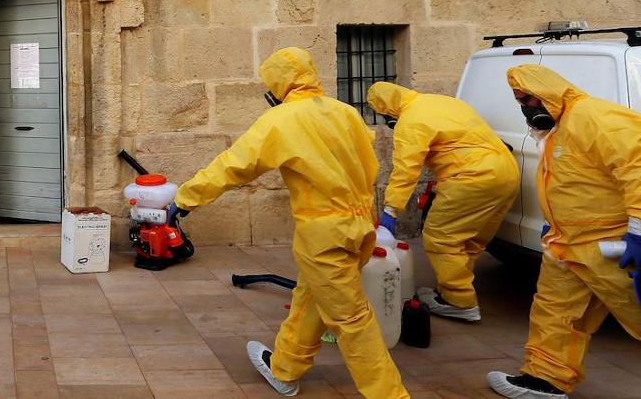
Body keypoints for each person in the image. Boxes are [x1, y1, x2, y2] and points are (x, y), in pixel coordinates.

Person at [173, 47, 410, 399]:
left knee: (352, 319)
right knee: (312, 295)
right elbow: (369, 166)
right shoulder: (345, 112)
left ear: (279, 83)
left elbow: (233, 165)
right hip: (361, 225)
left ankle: (390, 395)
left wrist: (184, 199)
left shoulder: (281, 119)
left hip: (324, 234)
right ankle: (285, 368)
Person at [486, 64, 641, 399]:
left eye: (529, 97)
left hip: (611, 244)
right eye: (519, 99)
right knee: (553, 311)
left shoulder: (594, 117)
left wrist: (638, 229)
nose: (526, 105)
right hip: (567, 243)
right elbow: (571, 181)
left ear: (549, 90)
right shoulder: (557, 128)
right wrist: (554, 221)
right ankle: (545, 379)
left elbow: (636, 166)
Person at [368, 82, 520, 322]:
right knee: (469, 238)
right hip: (506, 173)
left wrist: (391, 209)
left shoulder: (411, 121)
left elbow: (406, 170)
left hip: (470, 178)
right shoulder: (443, 102)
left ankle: (459, 301)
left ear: (389, 110)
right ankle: (454, 288)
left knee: (441, 238)